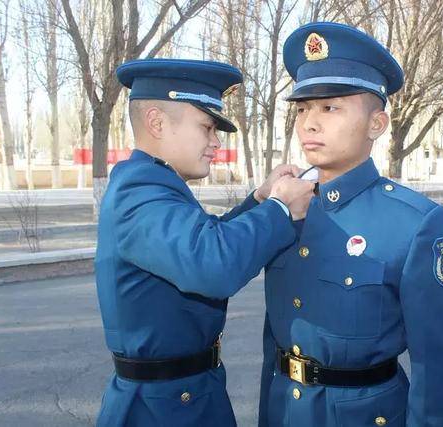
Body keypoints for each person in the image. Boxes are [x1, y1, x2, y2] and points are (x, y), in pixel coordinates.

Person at [257, 22, 443, 427]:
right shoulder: (286, 206)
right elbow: (276, 334)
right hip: (284, 410)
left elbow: (436, 361)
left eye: (330, 107)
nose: (309, 123)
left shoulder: (416, 221)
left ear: (377, 124)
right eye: (302, 109)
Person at [95, 58, 315, 427]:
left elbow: (203, 238)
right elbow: (212, 263)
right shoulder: (140, 191)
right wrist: (280, 208)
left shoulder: (155, 184)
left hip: (187, 393)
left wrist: (259, 200)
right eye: (206, 127)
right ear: (156, 122)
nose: (215, 142)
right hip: (159, 408)